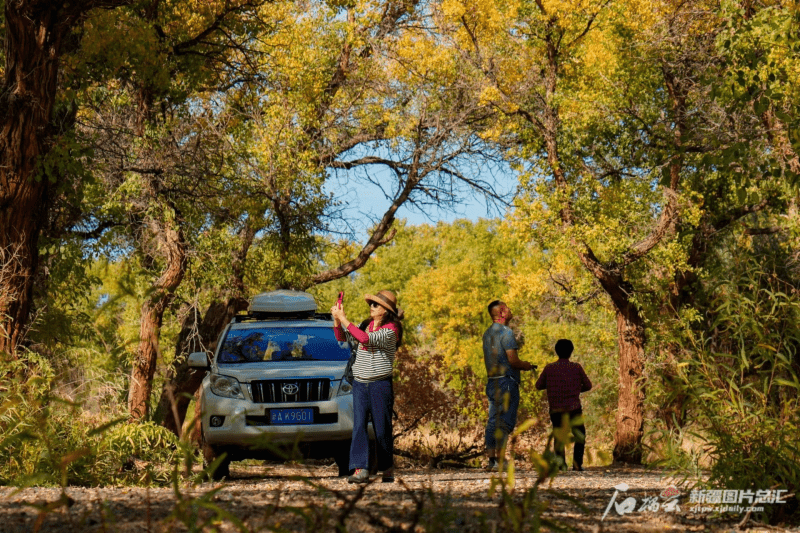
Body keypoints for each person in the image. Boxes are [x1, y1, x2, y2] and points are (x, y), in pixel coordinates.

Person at [331, 290, 404, 484]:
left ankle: (387, 467)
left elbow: (365, 340)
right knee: (359, 426)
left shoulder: (391, 331)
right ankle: (359, 468)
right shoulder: (365, 326)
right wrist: (337, 320)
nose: (371, 307)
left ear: (385, 311)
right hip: (360, 383)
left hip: (380, 384)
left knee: (382, 428)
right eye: (371, 304)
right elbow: (342, 337)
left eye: (375, 305)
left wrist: (344, 318)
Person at [483, 300, 536, 471]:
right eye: (508, 308)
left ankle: (491, 460)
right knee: (504, 422)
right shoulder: (507, 333)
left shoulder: (487, 333)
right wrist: (526, 365)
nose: (511, 310)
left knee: (492, 421)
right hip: (506, 382)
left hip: (492, 381)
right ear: (503, 312)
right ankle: (500, 460)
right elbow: (513, 360)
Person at [535, 339, 592, 472]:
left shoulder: (549, 368)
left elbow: (538, 385)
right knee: (579, 435)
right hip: (574, 408)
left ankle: (561, 464)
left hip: (556, 409)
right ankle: (577, 465)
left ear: (556, 351)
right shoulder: (576, 367)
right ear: (571, 352)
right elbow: (588, 385)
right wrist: (576, 390)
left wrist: (551, 386)